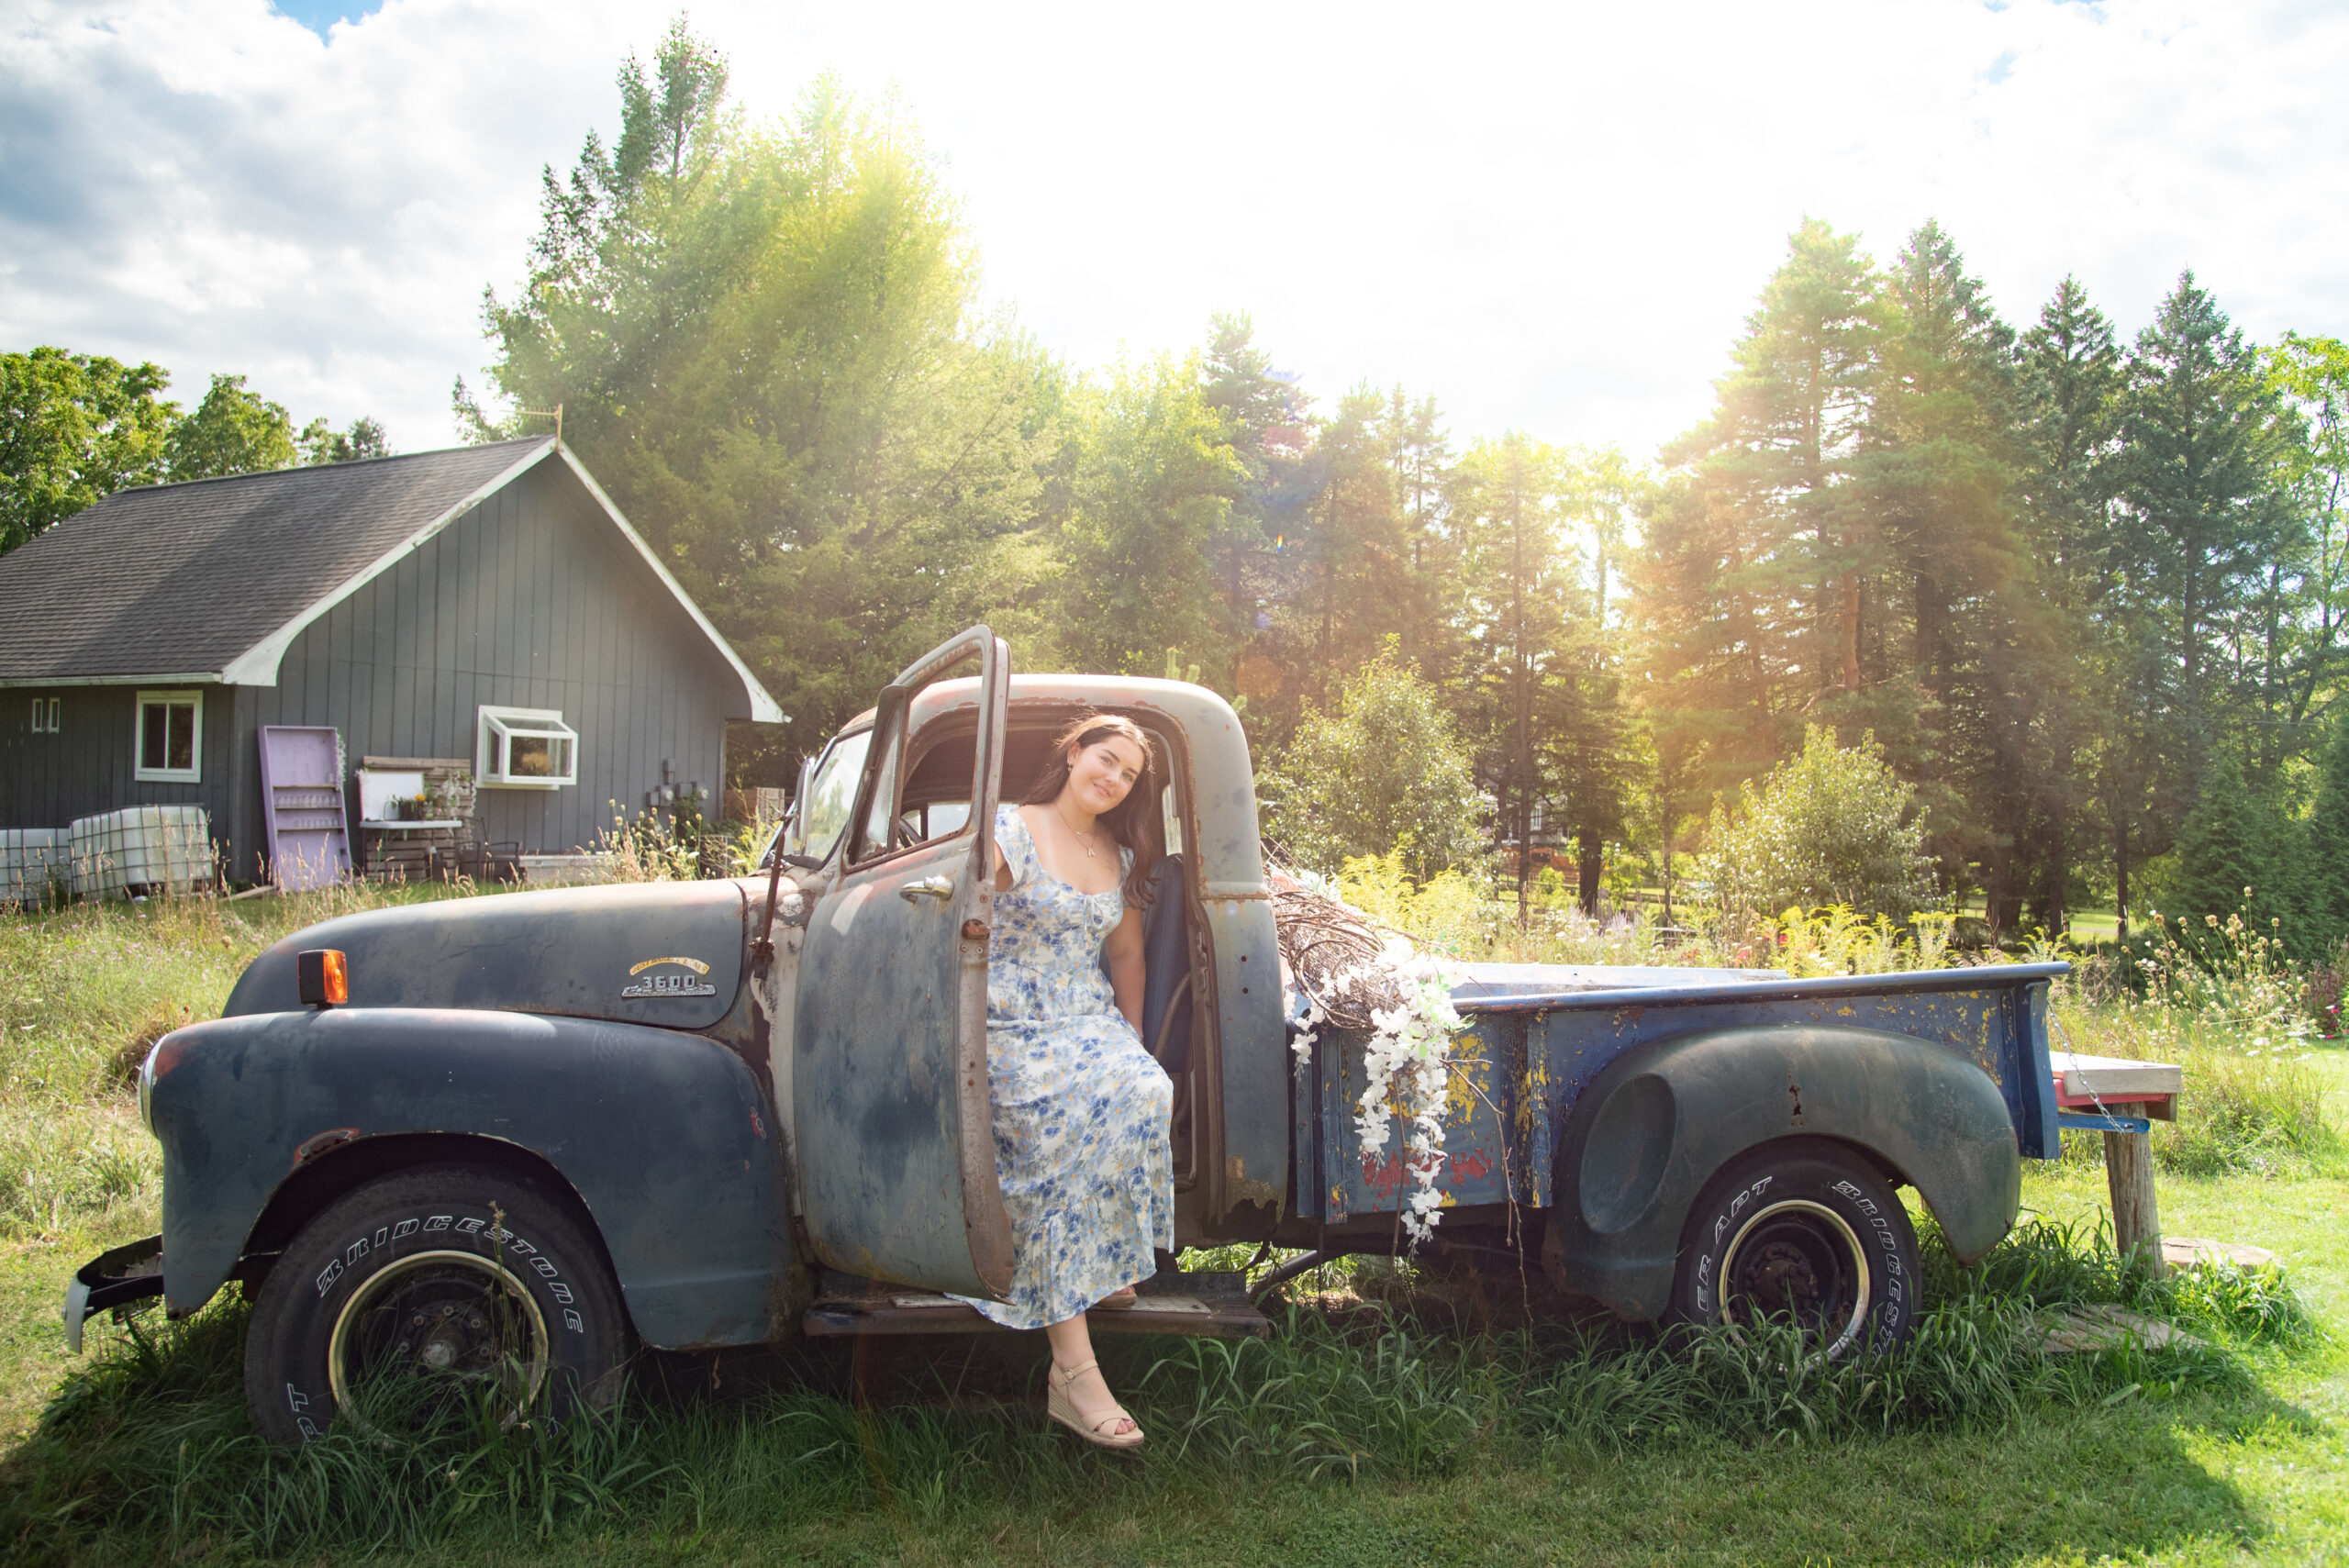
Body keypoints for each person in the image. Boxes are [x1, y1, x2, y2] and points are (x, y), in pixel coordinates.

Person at [955, 713, 1173, 1451]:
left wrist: (1133, 1038)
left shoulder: (1116, 849)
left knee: (1142, 1088)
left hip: (1087, 1016)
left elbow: (1127, 955)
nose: (1112, 779)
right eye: (1104, 760)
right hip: (1011, 1022)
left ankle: (1102, 1257)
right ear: (1075, 752)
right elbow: (958, 924)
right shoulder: (1011, 829)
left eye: (1128, 774)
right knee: (1054, 1116)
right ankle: (1073, 1374)